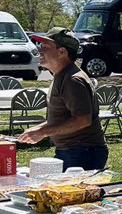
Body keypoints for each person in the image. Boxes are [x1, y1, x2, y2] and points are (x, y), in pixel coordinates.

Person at [20, 28, 108, 170]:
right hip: (73, 151)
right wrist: (37, 129)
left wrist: (43, 132)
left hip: (83, 153)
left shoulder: (73, 80)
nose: (39, 50)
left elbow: (82, 119)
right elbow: (63, 117)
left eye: (45, 47)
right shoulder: (61, 75)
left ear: (62, 52)